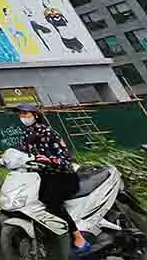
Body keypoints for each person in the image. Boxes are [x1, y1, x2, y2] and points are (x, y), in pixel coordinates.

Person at [16, 103, 91, 255]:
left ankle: (79, 238)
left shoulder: (48, 132)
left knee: (51, 200)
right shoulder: (25, 134)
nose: (23, 117)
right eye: (21, 114)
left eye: (26, 114)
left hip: (62, 174)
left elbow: (65, 158)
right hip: (41, 176)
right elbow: (23, 154)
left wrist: (50, 160)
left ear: (35, 115)